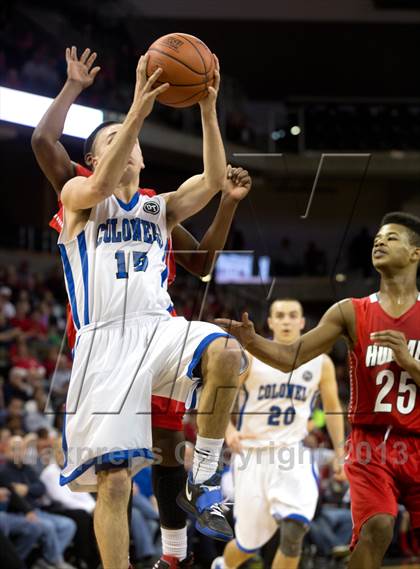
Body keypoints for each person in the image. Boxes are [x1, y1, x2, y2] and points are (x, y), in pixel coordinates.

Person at [32, 47, 252, 569]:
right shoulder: (78, 194)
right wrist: (134, 108)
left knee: (226, 354)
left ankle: (203, 474)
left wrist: (206, 106)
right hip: (103, 342)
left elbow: (214, 179)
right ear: (95, 157)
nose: (126, 144)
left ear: (143, 156)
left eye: (130, 141)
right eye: (111, 141)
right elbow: (87, 170)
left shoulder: (160, 207)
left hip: (158, 329)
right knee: (113, 483)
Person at [217, 212, 420, 569]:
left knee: (295, 531)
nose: (379, 241)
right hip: (368, 444)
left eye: (391, 238)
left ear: (415, 253)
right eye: (377, 237)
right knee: (378, 527)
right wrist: (252, 341)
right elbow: (288, 358)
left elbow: (328, 406)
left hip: (412, 440)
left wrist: (410, 361)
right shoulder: (350, 311)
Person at [212, 299, 345, 569]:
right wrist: (228, 430)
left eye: (292, 315)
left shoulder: (321, 363)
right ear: (270, 323)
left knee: (295, 530)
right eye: (280, 316)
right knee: (248, 545)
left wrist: (341, 450)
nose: (286, 320)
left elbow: (332, 409)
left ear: (302, 322)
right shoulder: (249, 358)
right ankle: (223, 565)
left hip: (292, 453)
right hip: (252, 456)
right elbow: (220, 397)